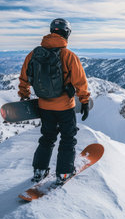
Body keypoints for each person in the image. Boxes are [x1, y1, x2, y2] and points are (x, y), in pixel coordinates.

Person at [18, 18, 90, 185]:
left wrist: (24, 94)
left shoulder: (34, 54)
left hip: (44, 105)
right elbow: (80, 81)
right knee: (67, 138)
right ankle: (64, 173)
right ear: (67, 34)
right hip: (65, 107)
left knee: (47, 138)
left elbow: (24, 77)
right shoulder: (69, 56)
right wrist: (84, 101)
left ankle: (39, 171)